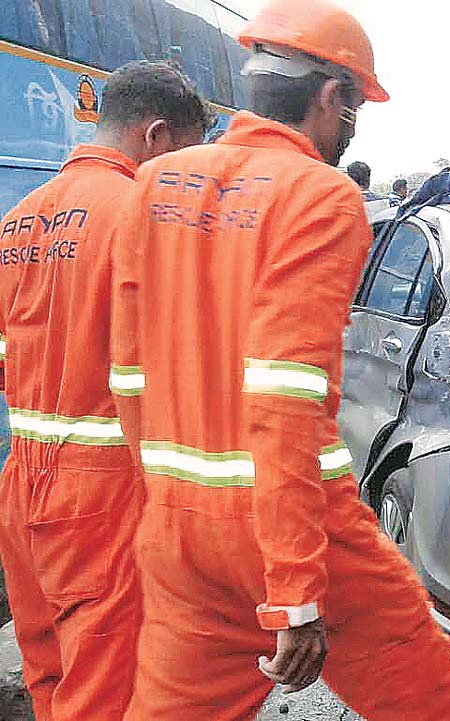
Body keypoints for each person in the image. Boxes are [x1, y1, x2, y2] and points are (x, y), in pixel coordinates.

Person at [110, 1, 450, 718]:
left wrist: (167, 509)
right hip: (294, 527)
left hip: (179, 533)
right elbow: (284, 397)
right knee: (440, 706)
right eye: (355, 110)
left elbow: (129, 375)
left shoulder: (155, 185)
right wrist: (292, 590)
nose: (351, 130)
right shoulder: (319, 196)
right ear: (329, 98)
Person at [0, 61, 210, 721]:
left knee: (49, 673)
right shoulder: (144, 218)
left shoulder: (15, 221)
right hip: (104, 493)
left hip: (21, 479)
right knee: (101, 693)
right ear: (154, 136)